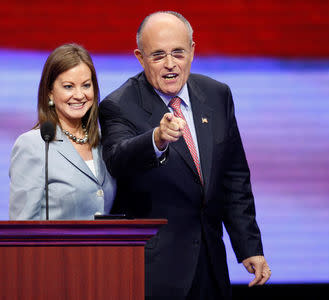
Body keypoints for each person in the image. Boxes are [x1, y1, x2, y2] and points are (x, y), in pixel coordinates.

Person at [99, 11, 270, 300]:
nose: (170, 65)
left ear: (192, 50)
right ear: (140, 58)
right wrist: (155, 139)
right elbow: (117, 158)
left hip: (210, 265)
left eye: (178, 53)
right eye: (158, 55)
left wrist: (249, 245)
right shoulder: (118, 105)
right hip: (155, 273)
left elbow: (233, 177)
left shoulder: (217, 94)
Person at [9, 43, 115, 220]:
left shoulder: (106, 142)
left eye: (86, 85)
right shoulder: (33, 146)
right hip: (55, 248)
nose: (80, 95)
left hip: (103, 248)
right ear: (50, 93)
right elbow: (22, 226)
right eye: (68, 86)